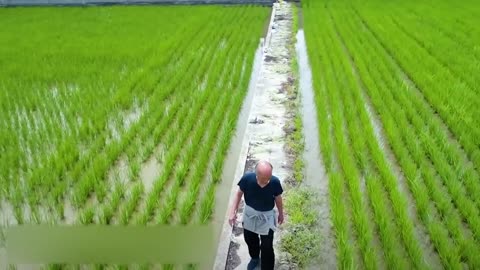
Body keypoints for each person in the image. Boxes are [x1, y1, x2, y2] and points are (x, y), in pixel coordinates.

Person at [228, 160, 284, 270]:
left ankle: (267, 267)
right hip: (250, 215)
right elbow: (238, 194)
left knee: (267, 246)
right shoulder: (247, 178)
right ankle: (254, 258)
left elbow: (278, 198)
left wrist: (281, 213)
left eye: (269, 178)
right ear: (256, 174)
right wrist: (232, 211)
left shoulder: (274, 182)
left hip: (266, 217)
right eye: (263, 179)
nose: (266, 181)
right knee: (250, 239)